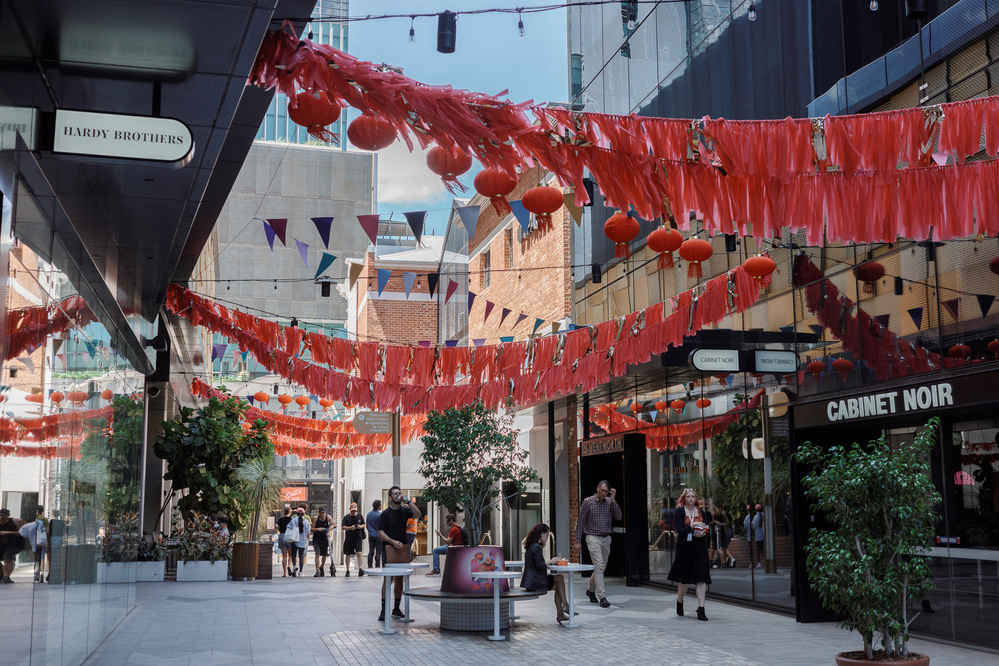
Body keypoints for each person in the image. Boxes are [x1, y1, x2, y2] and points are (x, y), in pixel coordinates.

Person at [574, 480, 621, 608]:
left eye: (606, 492)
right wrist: (578, 541)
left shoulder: (609, 502)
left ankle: (590, 590)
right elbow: (580, 523)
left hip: (606, 538)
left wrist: (613, 499)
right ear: (597, 489)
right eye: (602, 490)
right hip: (592, 537)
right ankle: (602, 597)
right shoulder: (588, 502)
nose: (604, 493)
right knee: (599, 565)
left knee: (601, 568)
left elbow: (618, 516)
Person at [377, 486, 421, 621]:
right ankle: (384, 610)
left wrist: (408, 502)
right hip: (389, 549)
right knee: (388, 579)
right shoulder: (385, 514)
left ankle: (396, 608)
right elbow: (380, 532)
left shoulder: (405, 511)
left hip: (402, 548)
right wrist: (392, 541)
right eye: (395, 493)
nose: (398, 495)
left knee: (399, 579)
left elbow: (418, 514)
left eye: (399, 493)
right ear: (390, 497)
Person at [667, 488, 712, 621]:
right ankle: (680, 601)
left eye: (693, 497)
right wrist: (692, 526)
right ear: (684, 499)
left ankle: (701, 609)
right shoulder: (680, 512)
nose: (691, 499)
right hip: (685, 548)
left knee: (701, 578)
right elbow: (680, 530)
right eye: (689, 497)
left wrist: (703, 532)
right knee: (684, 579)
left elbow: (707, 528)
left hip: (699, 547)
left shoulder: (701, 512)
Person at [521, 523, 575, 624]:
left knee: (559, 583)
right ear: (541, 534)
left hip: (530, 581)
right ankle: (564, 607)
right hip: (535, 582)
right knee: (559, 579)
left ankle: (561, 612)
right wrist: (551, 561)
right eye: (546, 535)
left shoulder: (531, 545)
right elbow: (539, 565)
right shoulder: (536, 547)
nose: (547, 538)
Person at [341, 503, 365, 577]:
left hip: (358, 538)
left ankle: (360, 568)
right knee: (348, 554)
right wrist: (350, 528)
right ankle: (347, 570)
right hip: (349, 538)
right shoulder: (346, 517)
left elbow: (364, 524)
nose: (353, 513)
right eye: (352, 511)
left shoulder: (360, 516)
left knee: (359, 553)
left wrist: (360, 526)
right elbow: (343, 527)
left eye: (354, 511)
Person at [286, 507, 311, 577]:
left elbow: (288, 527)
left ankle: (294, 566)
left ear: (296, 513)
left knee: (293, 555)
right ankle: (300, 572)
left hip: (294, 540)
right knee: (301, 557)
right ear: (303, 513)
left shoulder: (293, 520)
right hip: (303, 541)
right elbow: (308, 531)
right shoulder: (306, 522)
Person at [711, 501, 734, 569]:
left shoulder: (723, 514)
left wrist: (721, 524)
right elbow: (709, 521)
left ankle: (724, 561)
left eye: (721, 509)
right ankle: (712, 560)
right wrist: (715, 522)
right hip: (714, 532)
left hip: (721, 531)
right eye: (719, 509)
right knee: (714, 547)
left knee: (722, 547)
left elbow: (727, 523)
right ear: (716, 508)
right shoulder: (713, 514)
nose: (720, 510)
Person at [0, 508, 22, 583]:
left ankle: (6, 576)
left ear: (8, 516)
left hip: (11, 545)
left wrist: (7, 532)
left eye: (3, 516)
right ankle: (2, 574)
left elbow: (20, 532)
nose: (1, 517)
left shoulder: (14, 522)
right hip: (1, 545)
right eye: (0, 515)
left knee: (8, 558)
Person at [312, 508, 335, 577]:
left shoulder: (328, 517)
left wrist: (332, 526)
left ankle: (321, 566)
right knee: (317, 554)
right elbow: (312, 529)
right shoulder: (315, 518)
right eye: (321, 513)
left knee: (324, 555)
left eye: (323, 513)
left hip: (325, 538)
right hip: (317, 539)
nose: (322, 515)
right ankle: (317, 570)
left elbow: (335, 524)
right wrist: (318, 529)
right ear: (319, 513)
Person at [744, 504, 764, 568]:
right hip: (762, 535)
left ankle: (752, 563)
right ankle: (763, 561)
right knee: (761, 549)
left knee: (752, 550)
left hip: (752, 536)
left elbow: (747, 526)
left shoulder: (750, 517)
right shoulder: (763, 515)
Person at [366, 500, 383, 570]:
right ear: (378, 506)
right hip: (378, 535)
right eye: (380, 505)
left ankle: (370, 566)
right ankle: (377, 566)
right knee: (378, 552)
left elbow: (367, 525)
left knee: (371, 551)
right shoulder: (379, 515)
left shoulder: (369, 514)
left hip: (371, 535)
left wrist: (370, 531)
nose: (381, 506)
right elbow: (381, 526)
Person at [276, 507, 293, 577]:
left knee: (284, 556)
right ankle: (289, 565)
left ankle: (285, 573)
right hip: (290, 537)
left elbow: (278, 530)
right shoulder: (292, 520)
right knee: (291, 555)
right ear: (290, 512)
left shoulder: (280, 520)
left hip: (282, 536)